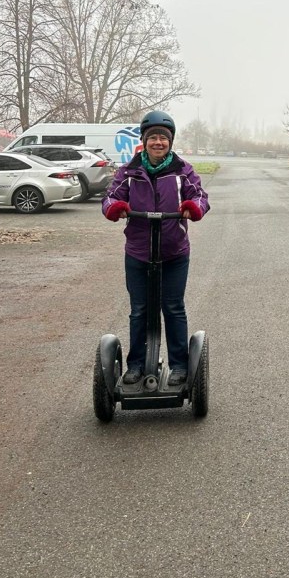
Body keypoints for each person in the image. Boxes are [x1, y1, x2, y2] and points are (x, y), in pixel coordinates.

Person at [102, 110, 210, 386]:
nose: (158, 142)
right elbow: (110, 197)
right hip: (138, 251)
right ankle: (136, 365)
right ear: (144, 141)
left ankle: (179, 366)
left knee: (173, 307)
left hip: (174, 252)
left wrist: (192, 208)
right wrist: (115, 208)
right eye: (153, 138)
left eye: (163, 137)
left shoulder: (182, 171)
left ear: (170, 142)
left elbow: (199, 197)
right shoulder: (130, 172)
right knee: (139, 309)